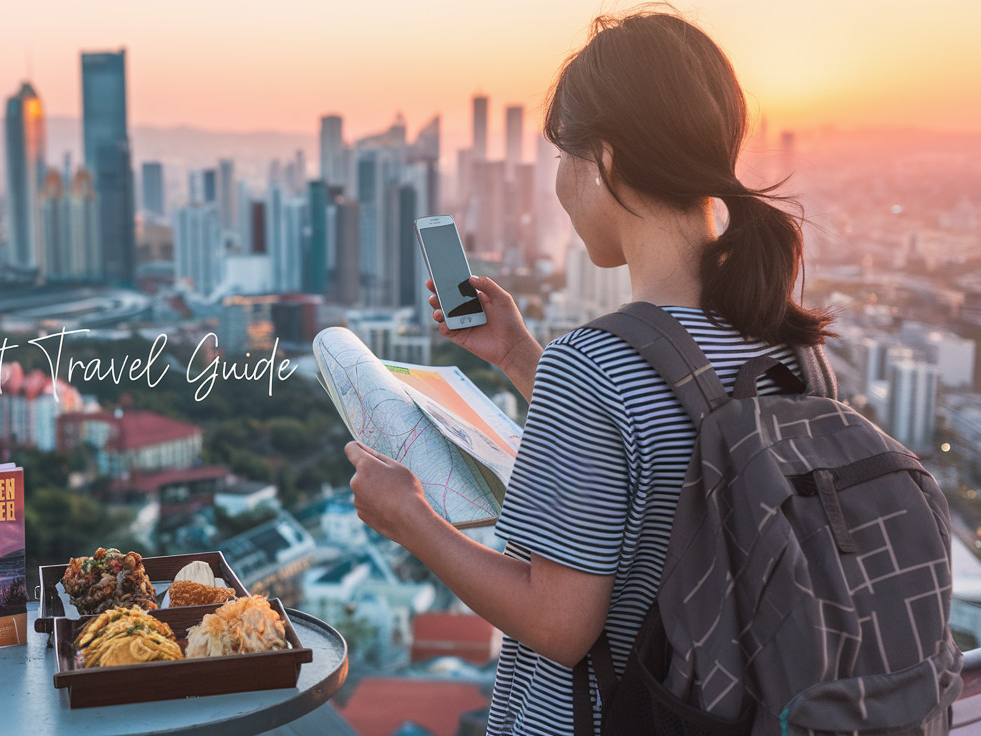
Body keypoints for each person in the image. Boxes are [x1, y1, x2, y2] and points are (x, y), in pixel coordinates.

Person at [343, 8, 835, 735]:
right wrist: (517, 356)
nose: (559, 188)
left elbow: (557, 623)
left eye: (562, 159)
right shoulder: (791, 351)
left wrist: (408, 518)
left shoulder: (598, 364)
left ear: (604, 158)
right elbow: (665, 453)